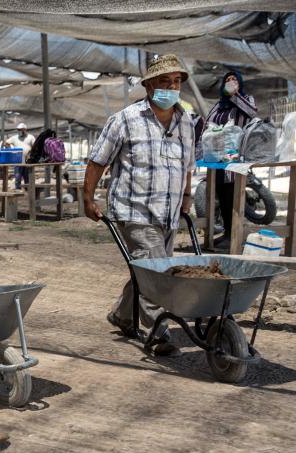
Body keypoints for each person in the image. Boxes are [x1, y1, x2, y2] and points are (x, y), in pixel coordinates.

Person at [83, 54, 195, 358]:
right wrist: (88, 198)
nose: (171, 88)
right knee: (156, 271)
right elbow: (97, 161)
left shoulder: (186, 122)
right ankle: (157, 333)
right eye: (164, 82)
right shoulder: (125, 120)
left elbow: (187, 166)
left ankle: (123, 314)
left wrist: (186, 198)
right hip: (135, 210)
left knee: (148, 269)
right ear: (148, 85)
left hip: (169, 213)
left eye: (176, 82)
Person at [205, 71, 258, 249]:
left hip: (236, 157)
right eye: (227, 80)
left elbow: (251, 113)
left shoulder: (246, 99)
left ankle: (236, 235)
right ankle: (228, 232)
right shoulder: (218, 105)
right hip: (218, 158)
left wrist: (235, 94)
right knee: (221, 194)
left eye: (234, 79)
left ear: (240, 83)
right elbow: (208, 122)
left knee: (233, 195)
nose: (230, 82)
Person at [7, 123, 36, 190]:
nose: (20, 131)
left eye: (22, 130)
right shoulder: (15, 138)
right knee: (18, 176)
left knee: (27, 176)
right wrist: (12, 151)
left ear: (25, 130)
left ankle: (28, 190)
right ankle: (18, 190)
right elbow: (6, 143)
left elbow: (35, 147)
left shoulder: (30, 137)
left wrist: (30, 153)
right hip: (18, 160)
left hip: (27, 160)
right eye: (19, 130)